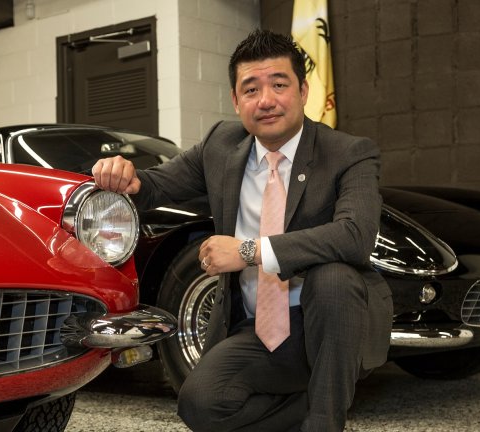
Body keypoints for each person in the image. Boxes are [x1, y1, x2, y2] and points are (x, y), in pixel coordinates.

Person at [92, 29, 392, 432]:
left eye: (279, 85)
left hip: (332, 325)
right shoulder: (221, 144)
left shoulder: (348, 152)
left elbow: (356, 236)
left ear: (303, 91)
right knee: (200, 404)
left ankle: (325, 421)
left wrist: (249, 251)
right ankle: (308, 409)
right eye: (251, 89)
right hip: (258, 330)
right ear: (236, 101)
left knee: (333, 277)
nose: (265, 100)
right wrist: (122, 174)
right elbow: (154, 185)